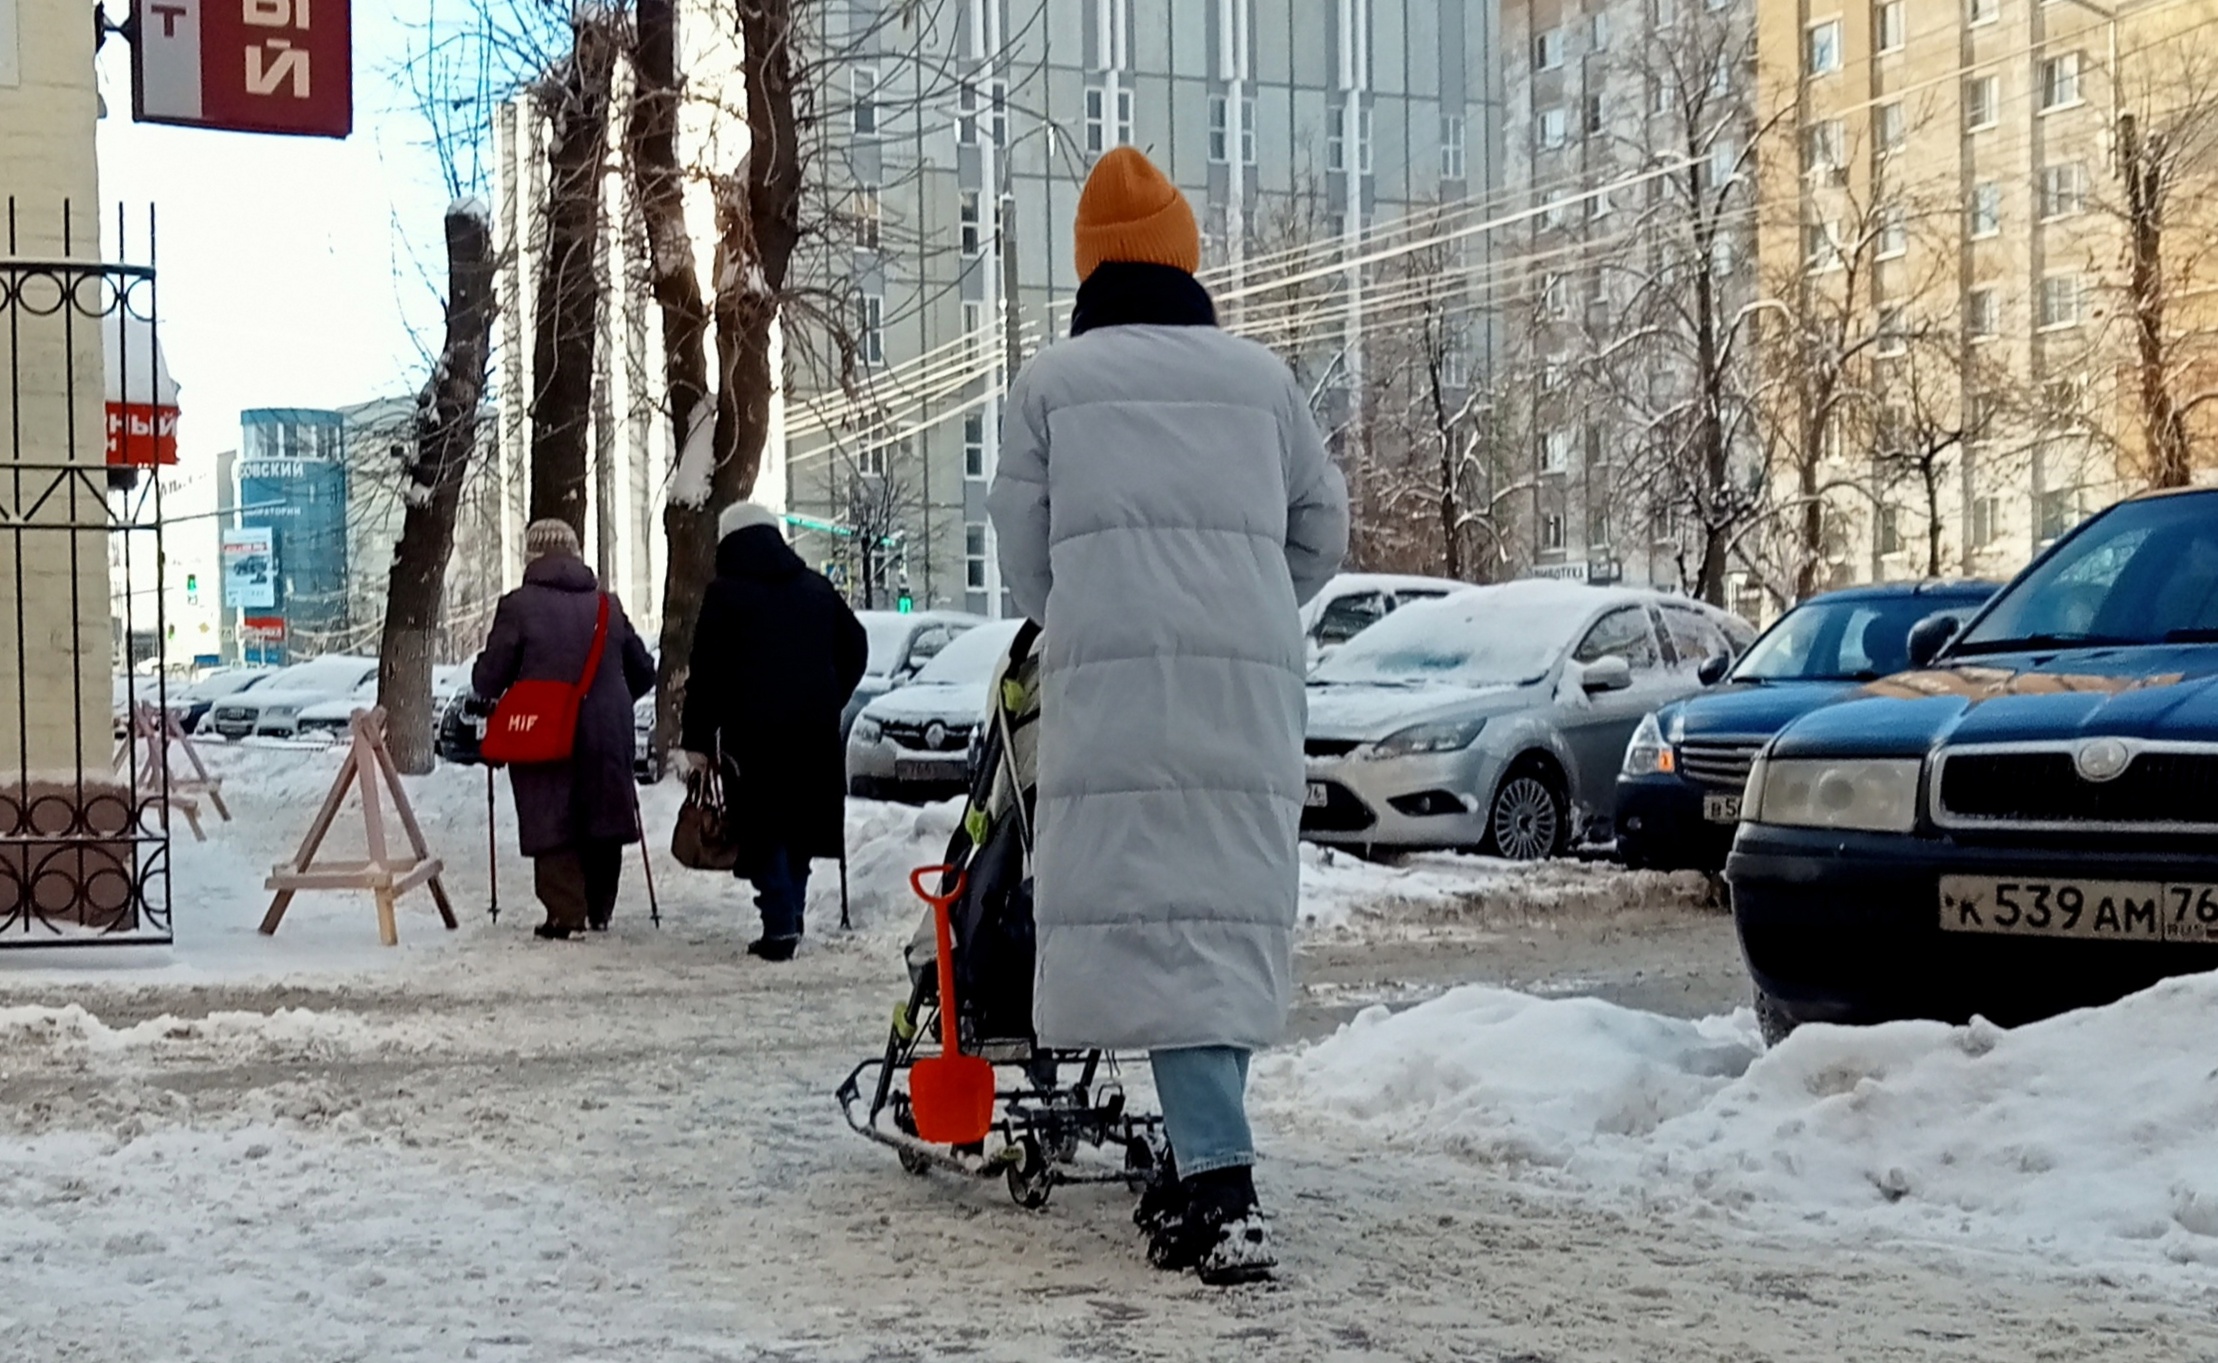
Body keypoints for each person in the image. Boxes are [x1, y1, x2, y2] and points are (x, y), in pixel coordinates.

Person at [986, 146, 1349, 1285]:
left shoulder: (1050, 387)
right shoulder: (1263, 382)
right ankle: (1205, 1172)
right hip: (1248, 684)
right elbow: (1319, 536)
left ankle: (1221, 1186)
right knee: (1219, 910)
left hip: (1115, 689)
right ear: (1188, 261)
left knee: (1151, 911)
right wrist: (1241, 604)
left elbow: (1026, 563)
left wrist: (1105, 615)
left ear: (1091, 268)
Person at [680, 501, 868, 961]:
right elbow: (856, 646)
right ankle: (793, 915)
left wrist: (699, 737)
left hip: (753, 736)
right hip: (814, 730)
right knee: (800, 825)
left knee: (762, 828)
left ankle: (780, 924)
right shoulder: (816, 588)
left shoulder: (724, 595)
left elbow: (705, 672)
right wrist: (831, 695)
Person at [474, 518, 658, 940]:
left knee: (550, 810)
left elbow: (490, 677)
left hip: (545, 727)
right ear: (576, 554)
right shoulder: (608, 605)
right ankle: (600, 909)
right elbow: (644, 672)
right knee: (605, 809)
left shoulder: (518, 605)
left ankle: (565, 912)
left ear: (532, 557)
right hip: (608, 727)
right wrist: (610, 701)